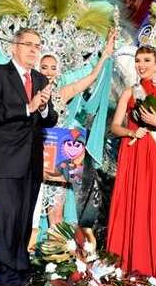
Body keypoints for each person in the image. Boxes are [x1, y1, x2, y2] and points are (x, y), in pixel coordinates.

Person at [0, 28, 58, 286]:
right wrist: (28, 107)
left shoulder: (38, 78)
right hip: (4, 158)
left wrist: (45, 107)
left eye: (38, 45)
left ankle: (21, 269)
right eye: (28, 44)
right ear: (14, 47)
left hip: (32, 160)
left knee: (25, 217)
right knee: (8, 217)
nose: (34, 50)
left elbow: (50, 119)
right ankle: (3, 273)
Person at [29, 29, 116, 249]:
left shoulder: (62, 94)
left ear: (58, 71)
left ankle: (53, 268)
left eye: (52, 68)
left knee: (56, 217)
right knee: (29, 218)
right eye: (44, 67)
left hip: (56, 164)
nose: (48, 72)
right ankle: (28, 262)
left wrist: (105, 55)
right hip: (30, 161)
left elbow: (91, 79)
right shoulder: (26, 93)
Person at [107, 45, 156, 286]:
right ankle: (126, 271)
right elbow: (115, 126)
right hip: (134, 152)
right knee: (132, 207)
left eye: (146, 60)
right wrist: (132, 131)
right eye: (138, 60)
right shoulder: (130, 92)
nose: (141, 65)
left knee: (154, 209)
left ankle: (152, 273)